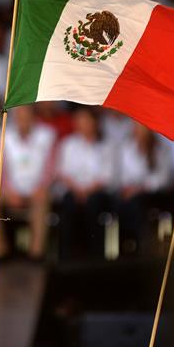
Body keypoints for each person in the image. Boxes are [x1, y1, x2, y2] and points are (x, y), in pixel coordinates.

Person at [56, 107, 115, 259]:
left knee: (94, 204)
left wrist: (88, 191)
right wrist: (77, 190)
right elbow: (63, 171)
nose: (81, 124)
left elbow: (107, 175)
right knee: (68, 204)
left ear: (94, 122)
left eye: (85, 119)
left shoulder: (106, 146)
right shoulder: (68, 144)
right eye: (78, 120)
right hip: (74, 191)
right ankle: (67, 255)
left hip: (97, 192)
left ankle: (94, 255)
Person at [0, 105, 56, 260]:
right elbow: (0, 168)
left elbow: (51, 167)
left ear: (33, 117)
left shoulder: (47, 135)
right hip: (11, 191)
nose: (22, 120)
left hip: (38, 189)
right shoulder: (5, 135)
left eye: (26, 117)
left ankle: (35, 254)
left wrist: (41, 187)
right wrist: (9, 191)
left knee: (43, 199)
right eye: (19, 117)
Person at [116, 122, 171, 255]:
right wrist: (132, 188)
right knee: (120, 204)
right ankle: (127, 246)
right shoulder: (127, 148)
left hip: (155, 195)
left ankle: (144, 244)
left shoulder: (161, 149)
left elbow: (162, 179)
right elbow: (123, 176)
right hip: (132, 193)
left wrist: (140, 188)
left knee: (137, 203)